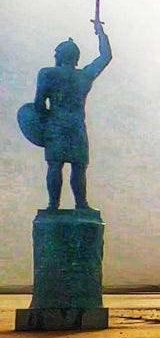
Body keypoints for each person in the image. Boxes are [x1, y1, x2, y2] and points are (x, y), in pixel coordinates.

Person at [32, 23, 112, 210]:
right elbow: (106, 56)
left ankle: (53, 205)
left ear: (59, 56)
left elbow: (38, 103)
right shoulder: (84, 76)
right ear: (76, 58)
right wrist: (101, 33)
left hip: (56, 125)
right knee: (78, 167)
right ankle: (81, 204)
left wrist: (43, 123)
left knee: (55, 166)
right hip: (76, 126)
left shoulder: (48, 74)